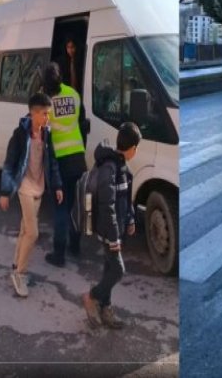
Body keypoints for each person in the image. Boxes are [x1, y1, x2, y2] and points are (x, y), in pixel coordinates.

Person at [0, 93, 63, 297]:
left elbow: (52, 161)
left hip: (40, 186)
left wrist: (58, 185)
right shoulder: (19, 134)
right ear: (34, 113)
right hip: (24, 186)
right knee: (33, 233)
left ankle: (16, 264)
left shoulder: (47, 133)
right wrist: (5, 192)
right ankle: (20, 273)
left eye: (49, 114)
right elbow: (9, 164)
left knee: (25, 229)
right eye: (45, 114)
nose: (48, 118)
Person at [82, 122, 140, 330]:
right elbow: (107, 206)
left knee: (109, 269)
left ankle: (105, 308)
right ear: (132, 148)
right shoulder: (110, 168)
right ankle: (92, 296)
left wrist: (131, 219)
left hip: (117, 229)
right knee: (118, 270)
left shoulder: (122, 167)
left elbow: (126, 198)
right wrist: (114, 237)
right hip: (108, 231)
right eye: (137, 148)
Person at [42, 62, 87, 268]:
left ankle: (58, 255)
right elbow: (82, 124)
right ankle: (76, 247)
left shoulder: (45, 102)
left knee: (60, 208)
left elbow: (41, 133)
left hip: (58, 162)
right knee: (75, 205)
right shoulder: (74, 95)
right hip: (78, 159)